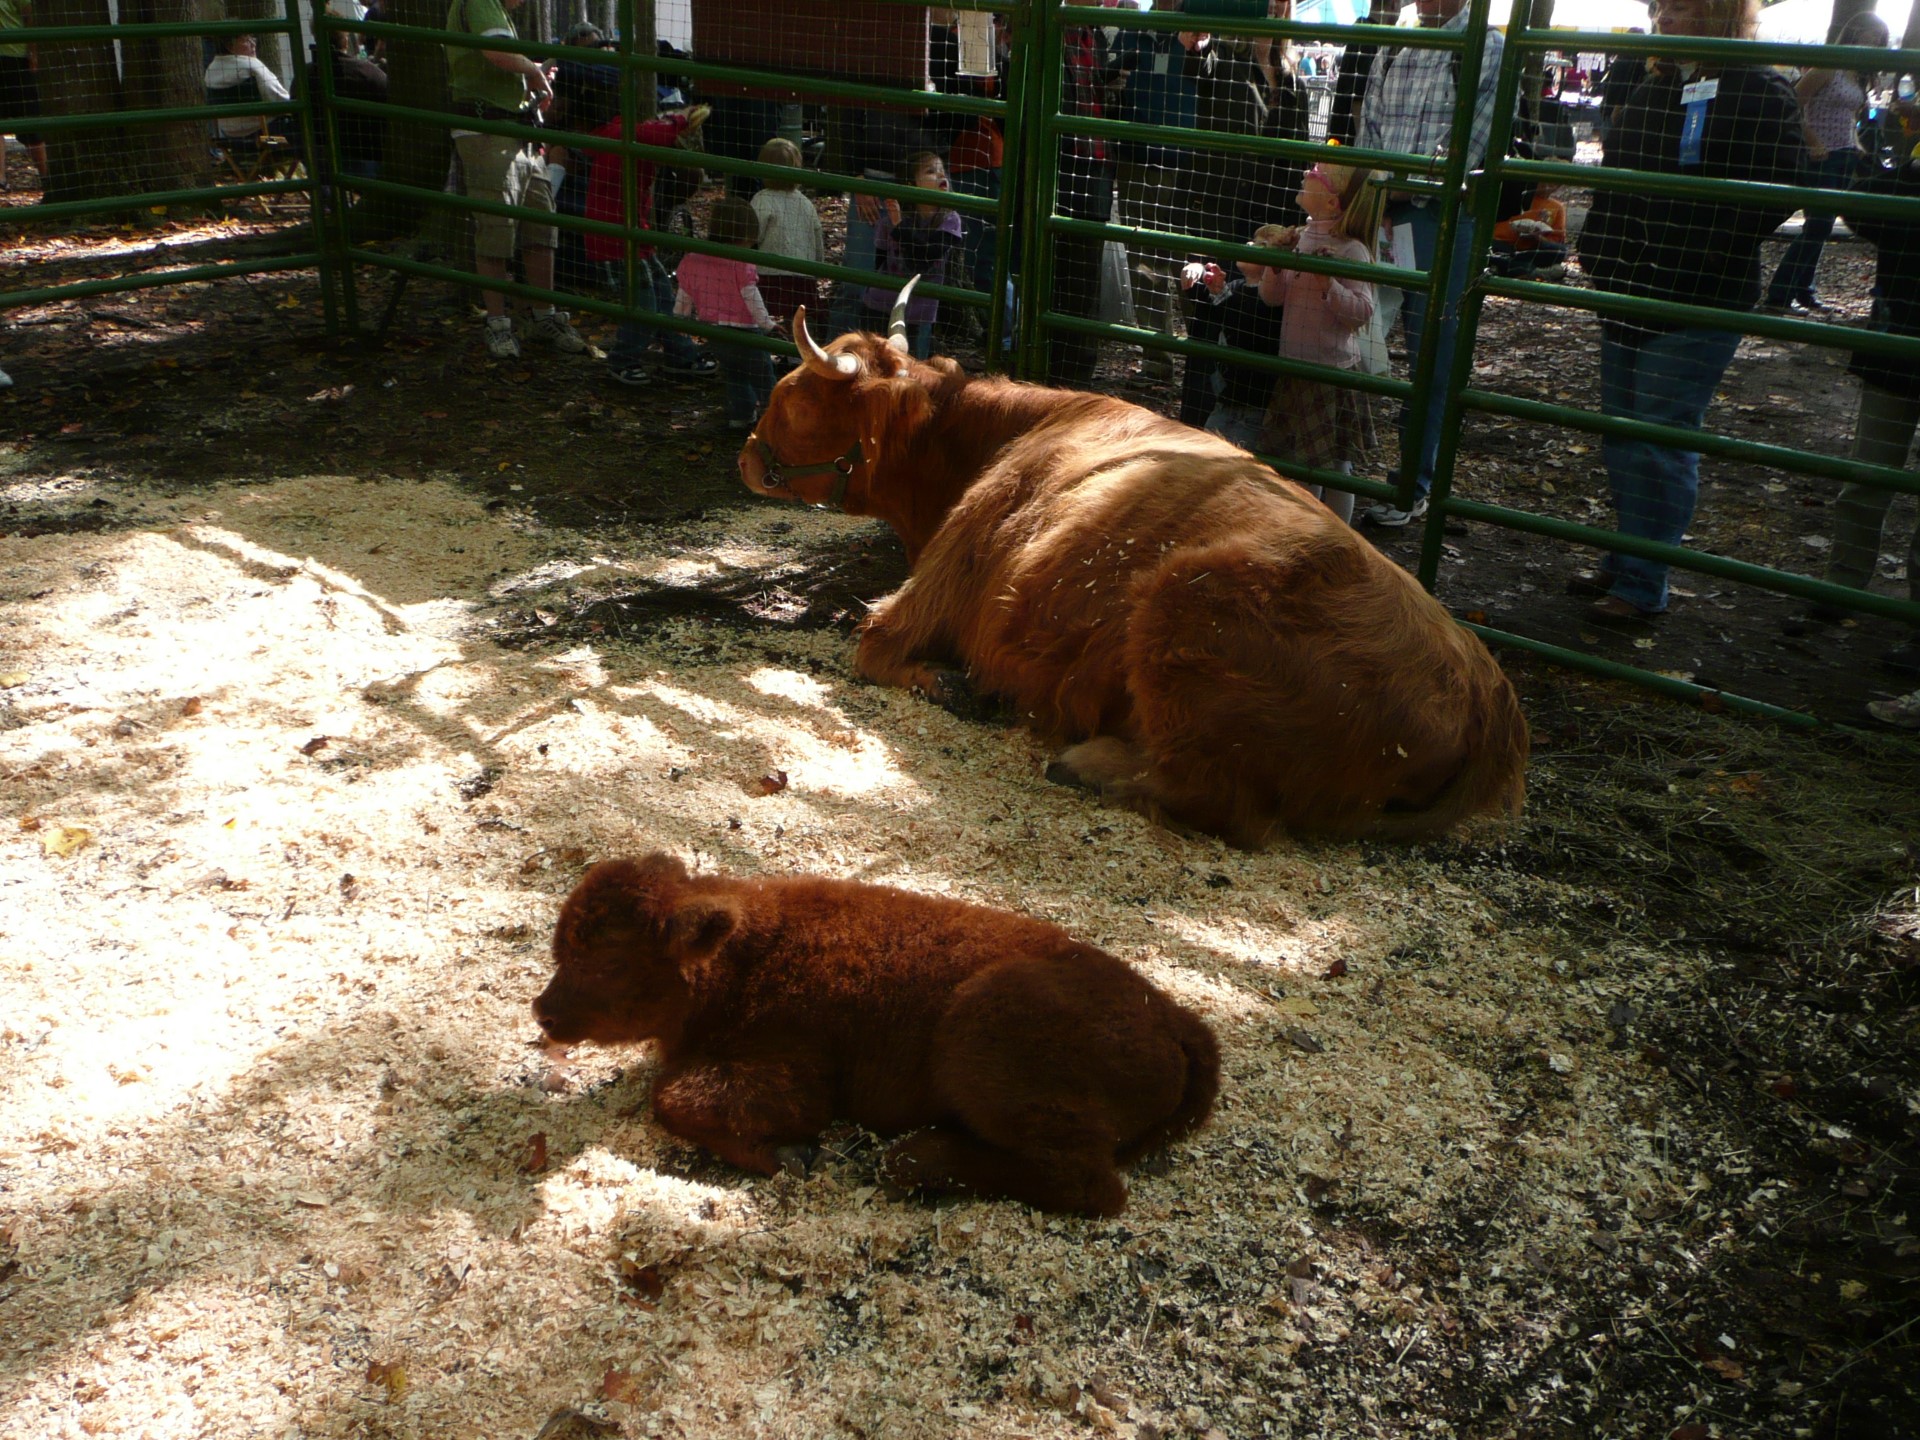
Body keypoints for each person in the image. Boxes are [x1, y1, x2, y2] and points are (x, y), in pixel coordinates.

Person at [1571, 0, 1808, 624]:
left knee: (1661, 435)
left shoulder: (1762, 92)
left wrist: (1702, 249)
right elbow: (1616, 178)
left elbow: (1777, 190)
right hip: (1628, 284)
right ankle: (1627, 558)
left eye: (1679, 7)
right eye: (1661, 7)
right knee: (1624, 432)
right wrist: (1599, 251)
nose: (1664, 18)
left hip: (1699, 294)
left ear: (1720, 15)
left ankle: (1645, 582)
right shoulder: (1657, 83)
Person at [1356, 0, 1505, 527]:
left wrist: (1404, 184)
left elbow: (1472, 141)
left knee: (1431, 354)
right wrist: (1370, 189)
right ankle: (1346, 467)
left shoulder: (1486, 47)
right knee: (1359, 332)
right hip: (1385, 213)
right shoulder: (1395, 43)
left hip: (1436, 217)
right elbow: (1368, 123)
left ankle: (1414, 482)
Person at [1800, 150, 1920, 685]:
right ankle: (1840, 588)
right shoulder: (1910, 178)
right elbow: (1866, 212)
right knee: (1867, 476)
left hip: (1895, 338)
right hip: (1897, 345)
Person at [443, 0, 589, 362]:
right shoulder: (480, 3)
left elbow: (503, 62)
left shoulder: (498, 10)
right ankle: (498, 324)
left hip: (517, 132)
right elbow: (498, 53)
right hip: (486, 132)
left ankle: (545, 316)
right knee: (496, 226)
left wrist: (530, 79)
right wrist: (533, 71)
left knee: (542, 224)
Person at [1257, 162, 1385, 525]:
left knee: (1334, 466)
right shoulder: (1297, 237)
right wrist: (1275, 264)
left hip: (1331, 373)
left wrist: (1329, 283)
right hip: (1294, 366)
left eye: (1315, 174)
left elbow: (1361, 312)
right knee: (1300, 464)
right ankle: (1306, 532)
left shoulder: (1352, 251)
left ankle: (1336, 536)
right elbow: (1272, 298)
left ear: (1332, 203)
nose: (1306, 173)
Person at [1761, 10, 1889, 314]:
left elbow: (1848, 116)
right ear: (1853, 36)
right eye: (1869, 40)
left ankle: (1804, 290)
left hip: (1845, 154)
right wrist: (1813, 142)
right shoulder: (1826, 68)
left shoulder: (1856, 75)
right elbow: (1793, 104)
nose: (1872, 47)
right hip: (1822, 156)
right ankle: (1779, 295)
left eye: (1878, 43)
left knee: (1824, 224)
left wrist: (1856, 144)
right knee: (1817, 225)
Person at [585, 102, 719, 386]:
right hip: (616, 240)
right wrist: (681, 120)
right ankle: (623, 358)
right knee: (643, 305)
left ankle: (680, 354)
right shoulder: (628, 135)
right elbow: (661, 135)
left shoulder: (627, 132)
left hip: (637, 236)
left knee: (663, 296)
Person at [1108, 1, 1200, 384]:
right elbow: (1109, 79)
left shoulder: (1200, 35)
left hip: (1185, 168)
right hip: (1137, 163)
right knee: (1145, 263)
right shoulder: (1132, 31)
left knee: (1190, 262)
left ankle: (1202, 363)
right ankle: (1157, 361)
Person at [1180, 223, 1294, 449]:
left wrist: (1220, 293)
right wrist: (1196, 276)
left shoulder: (1276, 301)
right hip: (1225, 399)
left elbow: (1243, 318)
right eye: (1252, 240)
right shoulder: (1235, 286)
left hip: (1256, 407)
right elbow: (1214, 312)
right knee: (1205, 454)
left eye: (1262, 244)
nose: (1250, 244)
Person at [674, 195, 781, 432]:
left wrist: (681, 319)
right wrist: (767, 324)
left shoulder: (693, 259)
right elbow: (751, 297)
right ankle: (774, 422)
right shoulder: (741, 263)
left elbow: (684, 294)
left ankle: (739, 417)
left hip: (715, 332)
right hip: (745, 333)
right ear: (746, 236)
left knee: (735, 375)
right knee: (764, 377)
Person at [862, 151, 963, 359]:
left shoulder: (950, 220)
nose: (940, 175)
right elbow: (879, 258)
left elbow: (924, 260)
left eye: (942, 170)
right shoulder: (890, 219)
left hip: (920, 313)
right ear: (911, 184)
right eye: (930, 171)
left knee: (914, 369)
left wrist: (900, 226)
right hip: (880, 305)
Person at [750, 136, 825, 329]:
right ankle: (794, 355)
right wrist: (817, 267)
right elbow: (817, 238)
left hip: (770, 274)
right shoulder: (805, 203)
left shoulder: (762, 200)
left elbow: (753, 235)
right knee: (798, 320)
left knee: (760, 311)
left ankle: (763, 345)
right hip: (803, 276)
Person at [204, 33, 298, 157]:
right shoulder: (251, 65)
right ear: (229, 46)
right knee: (307, 133)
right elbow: (281, 100)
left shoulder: (210, 70)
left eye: (253, 39)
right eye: (246, 40)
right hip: (265, 138)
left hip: (228, 140)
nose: (253, 44)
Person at [0, 0, 46, 192]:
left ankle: (48, 178)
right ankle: (1, 180)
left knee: (30, 126)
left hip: (16, 61)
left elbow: (29, 17)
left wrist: (32, 53)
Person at [1488, 183, 1568, 280]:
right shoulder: (1517, 196)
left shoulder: (1557, 207)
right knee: (1489, 249)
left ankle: (1508, 267)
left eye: (1552, 184)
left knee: (1559, 251)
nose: (1546, 187)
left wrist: (1538, 237)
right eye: (1543, 183)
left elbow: (1556, 239)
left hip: (1528, 250)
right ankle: (1530, 271)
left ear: (1558, 186)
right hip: (1501, 243)